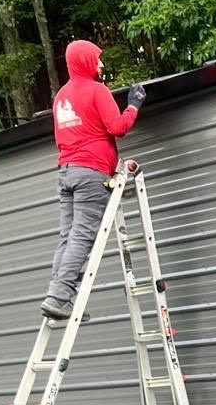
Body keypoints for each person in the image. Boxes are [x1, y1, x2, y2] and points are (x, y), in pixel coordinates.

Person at [42, 39, 148, 321]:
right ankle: (58, 296)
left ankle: (60, 297)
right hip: (91, 172)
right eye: (97, 59)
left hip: (66, 171)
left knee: (67, 237)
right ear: (85, 61)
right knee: (81, 237)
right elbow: (117, 127)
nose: (100, 64)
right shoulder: (96, 90)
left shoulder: (61, 97)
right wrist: (133, 106)